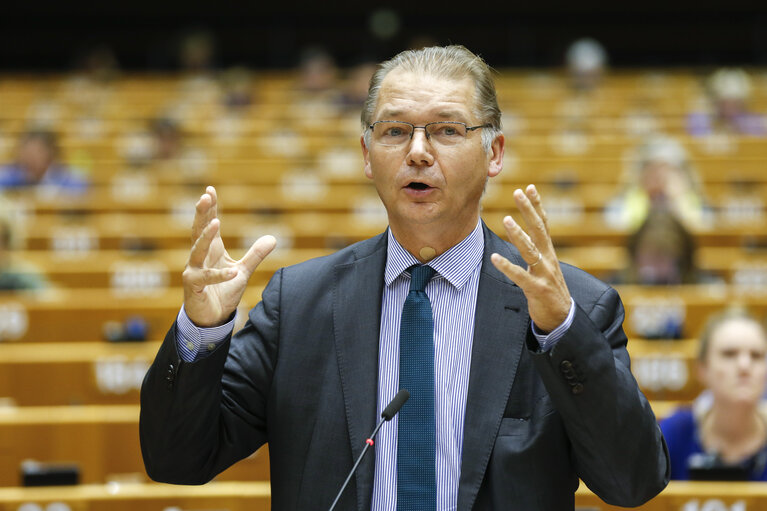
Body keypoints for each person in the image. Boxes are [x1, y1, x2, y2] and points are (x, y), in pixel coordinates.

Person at [140, 45, 668, 510]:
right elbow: (177, 460)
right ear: (369, 156)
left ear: (494, 153)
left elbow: (633, 483)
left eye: (446, 130)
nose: (418, 151)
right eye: (395, 131)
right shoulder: (298, 304)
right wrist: (201, 332)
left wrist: (561, 335)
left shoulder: (573, 307)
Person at [660, 310, 767, 480]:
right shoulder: (675, 433)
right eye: (729, 354)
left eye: (756, 356)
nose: (745, 365)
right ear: (702, 368)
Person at [605, 134, 707, 230]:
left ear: (681, 174)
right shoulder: (622, 203)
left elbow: (705, 231)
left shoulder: (697, 204)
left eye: (668, 170)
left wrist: (677, 202)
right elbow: (615, 231)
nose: (660, 178)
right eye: (653, 170)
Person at [0, 131, 88, 195]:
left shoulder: (69, 179)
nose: (29, 159)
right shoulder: (12, 176)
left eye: (36, 153)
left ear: (51, 153)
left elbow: (81, 193)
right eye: (26, 152)